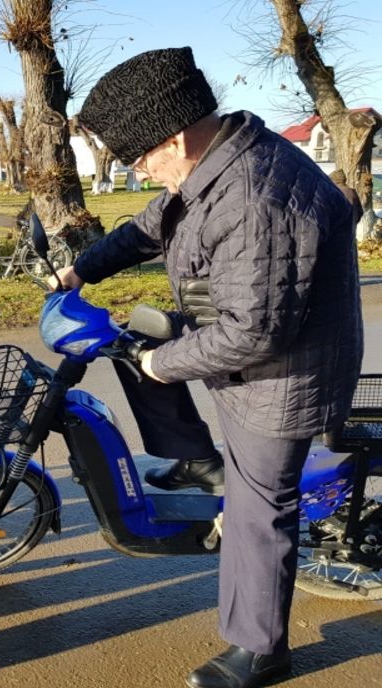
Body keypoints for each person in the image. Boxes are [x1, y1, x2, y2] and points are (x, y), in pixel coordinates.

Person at [54, 47, 362, 688]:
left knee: (258, 504)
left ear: (174, 136)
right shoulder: (210, 165)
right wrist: (83, 269)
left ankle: (261, 649)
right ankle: (195, 454)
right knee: (136, 349)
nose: (139, 171)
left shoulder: (256, 196)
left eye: (141, 157)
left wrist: (164, 364)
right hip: (242, 347)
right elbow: (147, 228)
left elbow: (256, 331)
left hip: (281, 374)